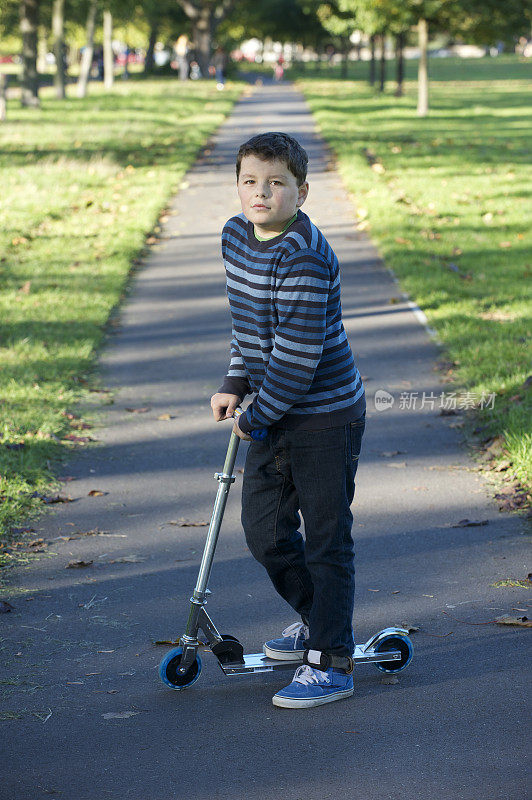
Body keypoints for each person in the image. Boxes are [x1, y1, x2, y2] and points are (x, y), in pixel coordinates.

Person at [210, 132, 366, 709]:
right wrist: (235, 380)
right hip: (274, 409)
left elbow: (298, 358)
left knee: (326, 537)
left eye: (276, 183)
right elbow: (249, 328)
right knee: (266, 533)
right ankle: (319, 617)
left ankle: (332, 661)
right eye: (250, 181)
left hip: (325, 417)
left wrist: (257, 417)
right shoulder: (235, 236)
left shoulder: (303, 255)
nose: (261, 193)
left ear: (302, 191)